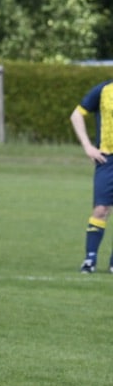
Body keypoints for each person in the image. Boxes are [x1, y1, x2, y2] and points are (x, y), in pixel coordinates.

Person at [70, 79, 113, 274]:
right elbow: (77, 115)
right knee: (101, 209)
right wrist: (88, 146)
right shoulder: (103, 90)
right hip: (107, 160)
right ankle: (90, 259)